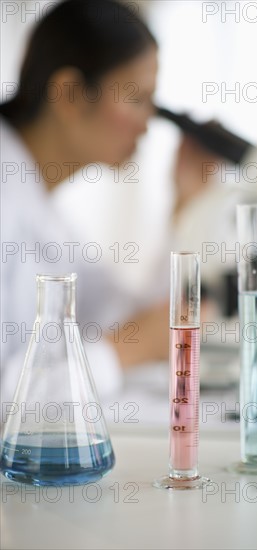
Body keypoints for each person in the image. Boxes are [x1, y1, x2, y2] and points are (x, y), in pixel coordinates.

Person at [0, 0, 172, 406]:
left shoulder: (41, 204)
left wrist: (186, 203)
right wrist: (122, 352)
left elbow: (126, 316)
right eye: (136, 99)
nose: (147, 122)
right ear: (71, 93)